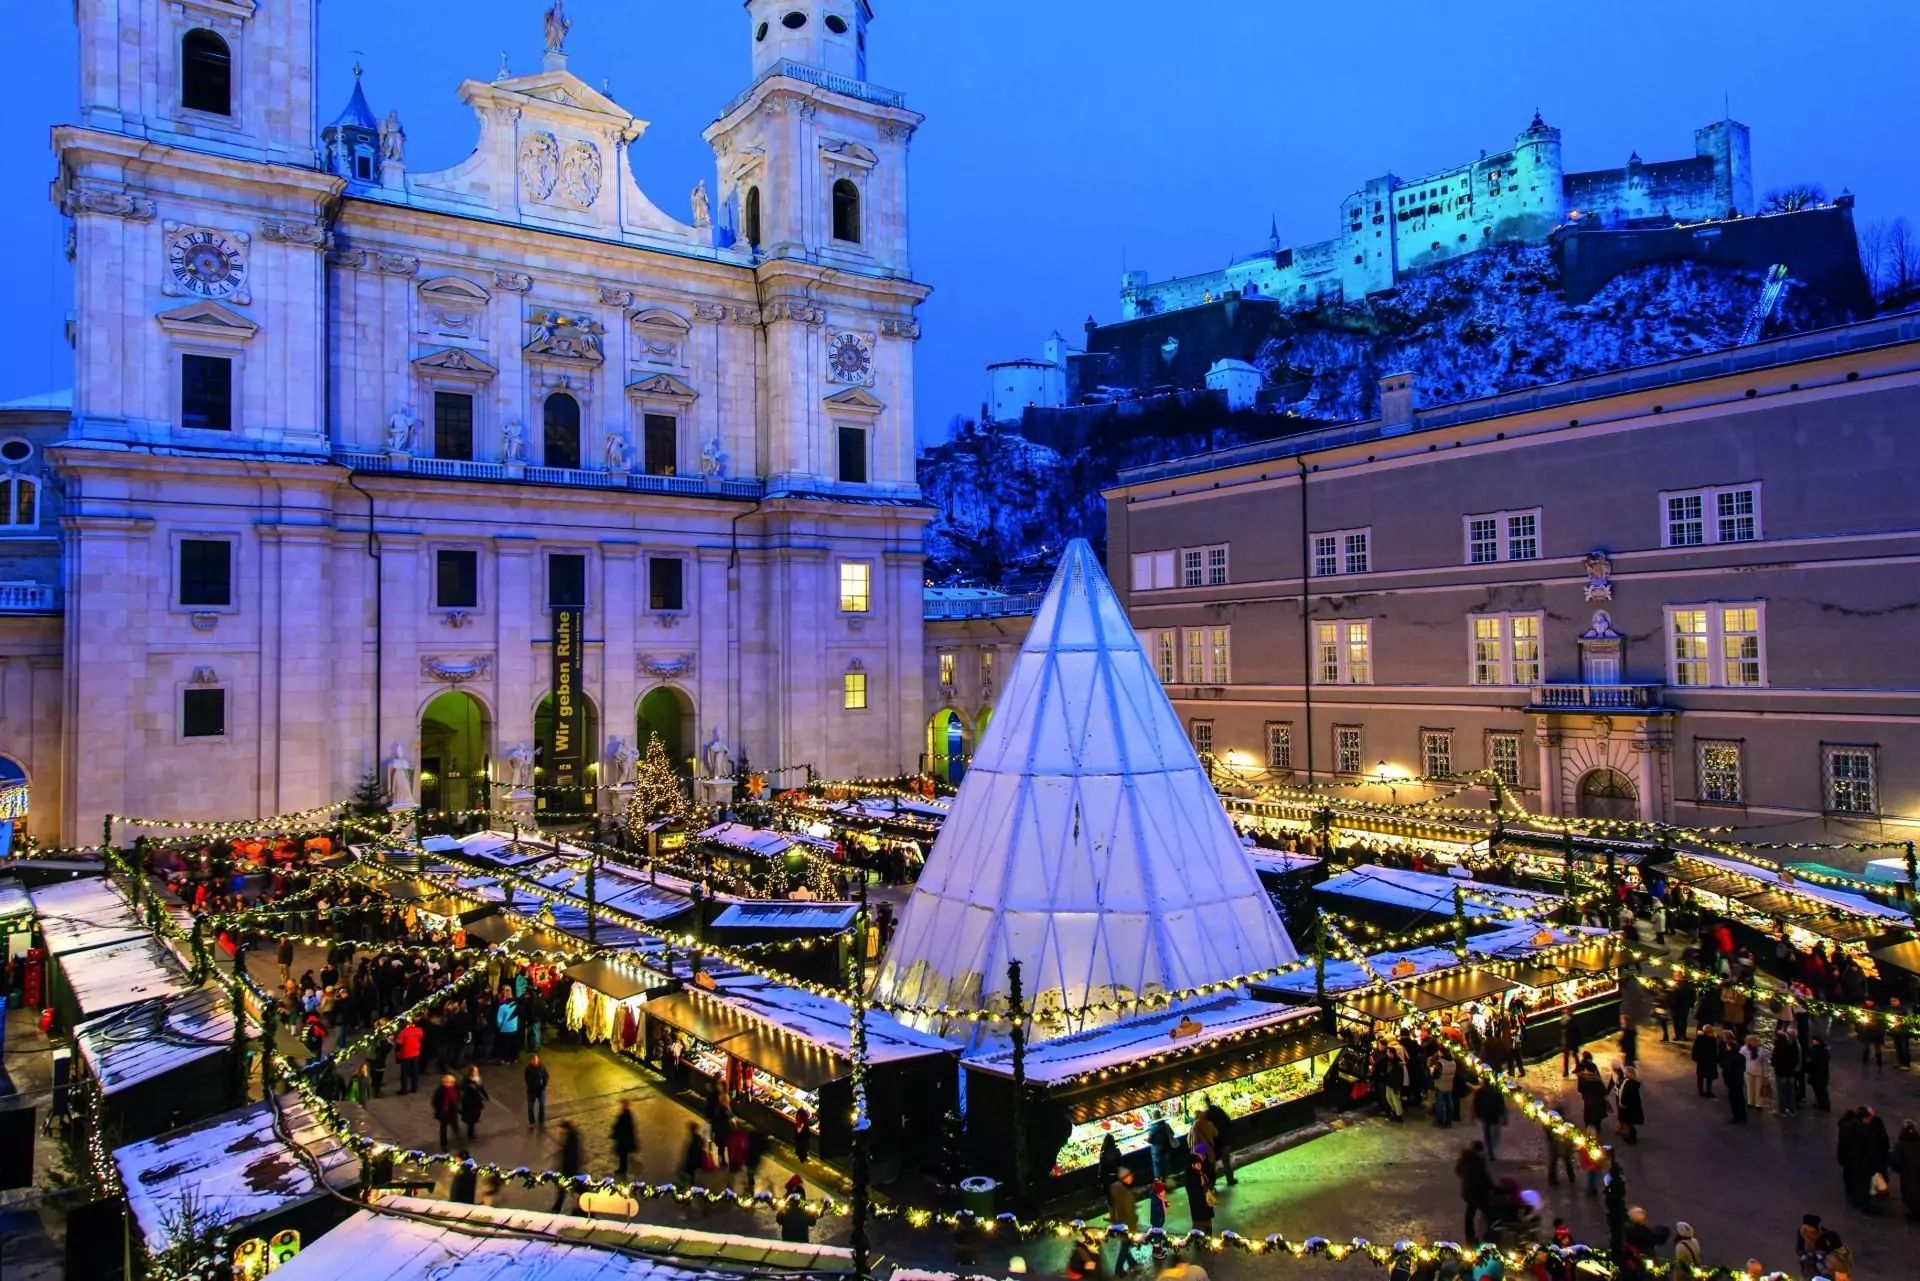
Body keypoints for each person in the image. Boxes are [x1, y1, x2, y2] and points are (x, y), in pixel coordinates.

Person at [1455, 1141, 1493, 1242]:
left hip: (1468, 1192)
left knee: (1470, 1215)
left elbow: (1458, 1171)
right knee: (1489, 1213)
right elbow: (1485, 1178)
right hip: (1478, 1192)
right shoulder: (1478, 1161)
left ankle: (1469, 1237)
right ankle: (1489, 1235)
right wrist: (1494, 1188)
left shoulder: (1465, 1159)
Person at [1108, 1166, 1140, 1275]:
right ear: (1124, 1178)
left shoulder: (1116, 1190)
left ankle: (1132, 1263)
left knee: (1125, 1245)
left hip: (1119, 1223)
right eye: (1128, 1176)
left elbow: (1112, 1207)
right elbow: (1129, 1213)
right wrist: (1133, 1228)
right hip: (1126, 1225)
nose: (1131, 1177)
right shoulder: (1126, 1194)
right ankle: (1118, 1268)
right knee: (1125, 1246)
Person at [1202, 1096, 1237, 1186]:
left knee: (1212, 1164)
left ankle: (1211, 1184)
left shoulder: (1207, 1115)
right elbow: (1229, 1122)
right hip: (1224, 1141)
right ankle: (1230, 1180)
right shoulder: (1218, 1110)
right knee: (1226, 1162)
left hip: (1214, 1144)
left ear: (1206, 1103)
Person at [1472, 1078, 1508, 1160]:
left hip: (1484, 1116)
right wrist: (1504, 1117)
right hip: (1494, 1117)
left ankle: (1489, 1150)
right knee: (1494, 1136)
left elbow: (1475, 1104)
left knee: (1487, 1135)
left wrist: (1474, 1115)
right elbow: (1502, 1106)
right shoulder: (1497, 1092)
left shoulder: (1480, 1091)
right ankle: (1491, 1150)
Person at [1893, 1119, 1920, 1220]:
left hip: (1908, 1174)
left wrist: (1898, 1168)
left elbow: (1896, 1161)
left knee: (1910, 1192)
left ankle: (1914, 1212)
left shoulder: (1900, 1145)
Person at [554, 1121, 583, 1213]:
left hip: (570, 1169)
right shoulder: (570, 1137)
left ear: (565, 1129)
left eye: (561, 1128)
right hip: (569, 1169)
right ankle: (559, 1206)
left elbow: (571, 1155)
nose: (560, 1130)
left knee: (567, 1189)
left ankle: (576, 1207)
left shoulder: (571, 1139)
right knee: (567, 1190)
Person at [777, 1175, 815, 1243]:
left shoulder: (785, 1208)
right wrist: (811, 1212)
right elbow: (812, 1222)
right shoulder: (805, 1208)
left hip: (787, 1240)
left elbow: (779, 1220)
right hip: (802, 1240)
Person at [1183, 1153, 1214, 1236]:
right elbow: (1192, 1191)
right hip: (1198, 1206)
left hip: (1205, 1204)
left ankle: (1208, 1239)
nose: (1199, 1165)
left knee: (1208, 1223)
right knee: (1200, 1225)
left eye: (1200, 1163)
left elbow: (1208, 1184)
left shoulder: (1201, 1173)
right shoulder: (1190, 1176)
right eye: (1197, 1164)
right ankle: (1198, 1241)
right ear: (1192, 1165)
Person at [1772, 1028, 1801, 1116]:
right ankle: (1792, 1110)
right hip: (1790, 1073)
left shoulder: (1778, 1048)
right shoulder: (1792, 1047)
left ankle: (1782, 1111)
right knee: (1790, 1092)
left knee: (1781, 1092)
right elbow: (1796, 1060)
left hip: (1781, 1073)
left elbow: (1774, 1061)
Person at [1720, 1034, 1748, 1123]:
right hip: (1739, 1080)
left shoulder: (1729, 1057)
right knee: (1740, 1098)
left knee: (1734, 1100)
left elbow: (1726, 1069)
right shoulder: (1741, 1057)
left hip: (1732, 1081)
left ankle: (1737, 1117)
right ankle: (1742, 1115)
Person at [431, 1073, 462, 1151]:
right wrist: (439, 1109)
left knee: (456, 1128)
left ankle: (459, 1142)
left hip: (452, 1112)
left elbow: (458, 1097)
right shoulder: (440, 1091)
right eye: (449, 1082)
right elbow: (435, 1102)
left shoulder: (455, 1088)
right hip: (444, 1113)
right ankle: (444, 1145)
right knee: (443, 1129)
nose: (451, 1084)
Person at [458, 1066, 489, 1140]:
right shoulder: (467, 1080)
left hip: (476, 1101)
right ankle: (470, 1134)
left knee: (474, 1117)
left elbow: (482, 1088)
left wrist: (486, 1096)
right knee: (471, 1118)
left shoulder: (478, 1080)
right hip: (469, 1101)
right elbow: (461, 1087)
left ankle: (471, 1131)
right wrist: (469, 1086)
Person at [1615, 1066, 1643, 1144]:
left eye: (1625, 1073)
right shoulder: (1632, 1082)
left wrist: (1623, 1104)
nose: (1624, 1074)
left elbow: (1626, 1095)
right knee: (1630, 1123)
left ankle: (1632, 1139)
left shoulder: (1629, 1083)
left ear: (1628, 1074)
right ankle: (1631, 1137)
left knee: (1630, 1123)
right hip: (1631, 1106)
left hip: (1629, 1107)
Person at [395, 1021, 425, 1095]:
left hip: (405, 1054)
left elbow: (399, 1044)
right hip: (416, 1053)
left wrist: (397, 1054)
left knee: (404, 1073)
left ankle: (404, 1090)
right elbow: (421, 1037)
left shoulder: (403, 1032)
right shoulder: (419, 1030)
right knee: (414, 1071)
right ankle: (414, 1088)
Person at [611, 1100, 640, 1177]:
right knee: (623, 1155)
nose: (622, 1106)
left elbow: (623, 1126)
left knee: (623, 1155)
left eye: (623, 1104)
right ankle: (622, 1169)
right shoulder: (627, 1114)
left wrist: (615, 1127)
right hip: (624, 1138)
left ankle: (622, 1169)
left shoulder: (625, 1115)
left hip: (623, 1139)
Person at [1432, 1049, 1459, 1128]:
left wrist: (1432, 1071)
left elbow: (1436, 1075)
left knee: (1439, 1104)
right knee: (1449, 1104)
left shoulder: (1441, 1063)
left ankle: (1439, 1121)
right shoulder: (1453, 1063)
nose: (1438, 1053)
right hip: (1449, 1085)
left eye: (1440, 1052)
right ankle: (1448, 1121)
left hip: (1440, 1085)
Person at [524, 1054, 549, 1126]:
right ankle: (532, 1121)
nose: (536, 1061)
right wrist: (537, 1083)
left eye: (537, 1059)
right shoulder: (528, 1069)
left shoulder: (541, 1066)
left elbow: (546, 1075)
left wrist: (544, 1083)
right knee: (530, 1107)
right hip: (532, 1091)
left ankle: (541, 1120)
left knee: (542, 1105)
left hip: (541, 1090)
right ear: (531, 1061)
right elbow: (528, 1080)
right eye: (534, 1060)